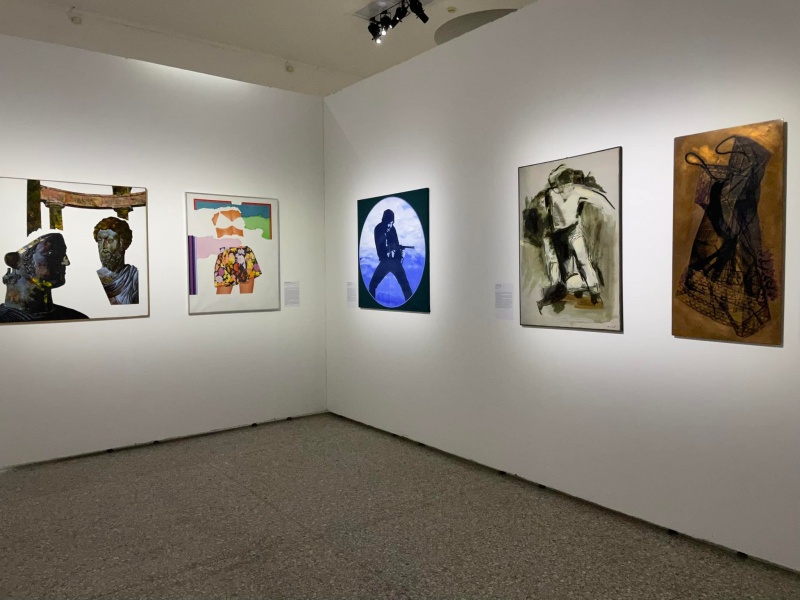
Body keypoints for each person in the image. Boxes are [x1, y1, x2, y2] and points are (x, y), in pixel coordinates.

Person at [533, 164, 615, 311]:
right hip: (558, 235)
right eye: (563, 183)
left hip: (573, 230)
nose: (566, 187)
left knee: (583, 260)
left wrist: (611, 212)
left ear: (571, 182)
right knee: (565, 265)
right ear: (559, 183)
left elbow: (599, 200)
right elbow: (549, 213)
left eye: (568, 183)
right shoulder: (551, 193)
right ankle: (573, 288)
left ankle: (595, 292)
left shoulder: (578, 191)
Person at [0, 232, 88, 322]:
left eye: (63, 253)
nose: (66, 262)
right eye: (50, 253)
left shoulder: (76, 318)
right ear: (15, 261)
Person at [368, 209, 413, 302]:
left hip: (395, 262)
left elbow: (396, 245)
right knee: (372, 286)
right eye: (388, 223)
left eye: (391, 223)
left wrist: (400, 255)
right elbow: (380, 250)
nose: (390, 225)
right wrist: (392, 247)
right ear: (383, 221)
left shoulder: (393, 229)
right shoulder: (378, 229)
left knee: (406, 287)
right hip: (384, 262)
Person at [93, 217, 139, 304]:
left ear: (123, 244)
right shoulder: (92, 277)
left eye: (109, 240)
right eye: (99, 240)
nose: (103, 246)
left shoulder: (133, 277)